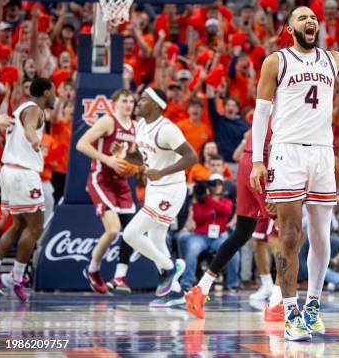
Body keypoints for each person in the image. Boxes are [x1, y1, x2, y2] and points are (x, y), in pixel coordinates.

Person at [249, 6, 339, 341]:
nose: (311, 21)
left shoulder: (333, 59)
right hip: (288, 151)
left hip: (323, 154)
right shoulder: (277, 61)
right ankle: (289, 311)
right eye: (302, 17)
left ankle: (312, 305)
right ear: (289, 28)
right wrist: (258, 160)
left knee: (321, 235)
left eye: (313, 17)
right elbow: (260, 114)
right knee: (288, 236)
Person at [185, 116, 283, 322]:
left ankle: (201, 288)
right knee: (288, 233)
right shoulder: (285, 103)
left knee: (242, 233)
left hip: (246, 163)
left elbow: (250, 123)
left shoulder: (265, 104)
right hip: (264, 164)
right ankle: (277, 301)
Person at [122, 88, 198, 307]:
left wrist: (163, 172)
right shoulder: (141, 126)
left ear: (155, 105)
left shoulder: (167, 130)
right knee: (155, 239)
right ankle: (174, 293)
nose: (138, 103)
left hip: (171, 189)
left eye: (143, 100)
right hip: (154, 188)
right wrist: (123, 155)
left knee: (131, 234)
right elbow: (142, 157)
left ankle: (170, 267)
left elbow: (191, 156)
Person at [0, 78, 55, 301]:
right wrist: (35, 142)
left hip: (8, 171)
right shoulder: (34, 111)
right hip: (23, 174)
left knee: (18, 224)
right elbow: (30, 129)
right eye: (54, 93)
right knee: (36, 227)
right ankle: (17, 276)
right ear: (46, 93)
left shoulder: (21, 106)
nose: (55, 97)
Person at [76, 88, 137, 295]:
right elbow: (81, 144)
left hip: (121, 183)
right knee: (113, 230)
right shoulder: (108, 121)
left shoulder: (135, 127)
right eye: (124, 101)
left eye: (131, 101)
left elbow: (133, 157)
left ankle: (120, 277)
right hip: (100, 179)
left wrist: (137, 167)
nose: (129, 105)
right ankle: (92, 270)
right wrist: (107, 159)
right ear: (114, 103)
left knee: (132, 232)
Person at [177, 174, 239, 292]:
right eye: (213, 184)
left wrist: (208, 200)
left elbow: (225, 212)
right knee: (192, 251)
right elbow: (198, 219)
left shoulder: (226, 201)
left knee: (233, 253)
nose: (216, 187)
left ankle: (233, 284)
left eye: (219, 184)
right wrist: (203, 200)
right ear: (209, 186)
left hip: (219, 236)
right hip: (200, 236)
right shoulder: (199, 201)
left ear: (223, 186)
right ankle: (186, 283)